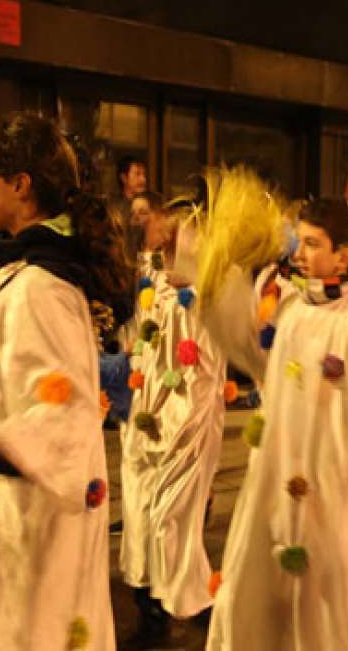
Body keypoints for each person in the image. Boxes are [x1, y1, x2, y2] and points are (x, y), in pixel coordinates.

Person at [0, 114, 131, 649]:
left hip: (27, 528)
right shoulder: (26, 273)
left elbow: (69, 411)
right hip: (13, 516)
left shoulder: (40, 286)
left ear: (20, 185)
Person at [198, 196, 348, 650]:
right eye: (299, 241)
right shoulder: (293, 309)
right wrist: (217, 279)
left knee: (327, 598)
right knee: (262, 587)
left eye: (313, 244)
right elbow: (251, 353)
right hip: (277, 476)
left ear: (344, 255)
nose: (299, 253)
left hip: (335, 483)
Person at [120, 200, 227, 643]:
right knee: (142, 500)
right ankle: (148, 588)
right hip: (147, 405)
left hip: (187, 407)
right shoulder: (152, 285)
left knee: (173, 505)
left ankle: (181, 593)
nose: (159, 228)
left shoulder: (204, 293)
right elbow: (136, 341)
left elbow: (212, 356)